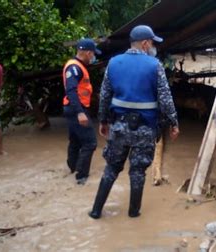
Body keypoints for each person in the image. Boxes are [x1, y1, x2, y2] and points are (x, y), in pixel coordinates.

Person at [89, 25, 179, 219]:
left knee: (111, 167)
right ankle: (133, 214)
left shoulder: (113, 63)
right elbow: (165, 98)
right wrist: (173, 122)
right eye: (152, 42)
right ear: (145, 43)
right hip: (145, 129)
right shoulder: (155, 65)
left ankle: (96, 211)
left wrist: (103, 120)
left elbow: (104, 95)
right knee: (138, 171)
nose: (153, 46)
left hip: (119, 127)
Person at [62, 38, 100, 185]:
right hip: (76, 108)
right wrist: (80, 112)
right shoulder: (74, 67)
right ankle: (81, 177)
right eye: (93, 54)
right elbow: (71, 91)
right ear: (88, 53)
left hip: (73, 108)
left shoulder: (77, 66)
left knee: (76, 140)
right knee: (90, 143)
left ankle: (72, 167)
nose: (93, 57)